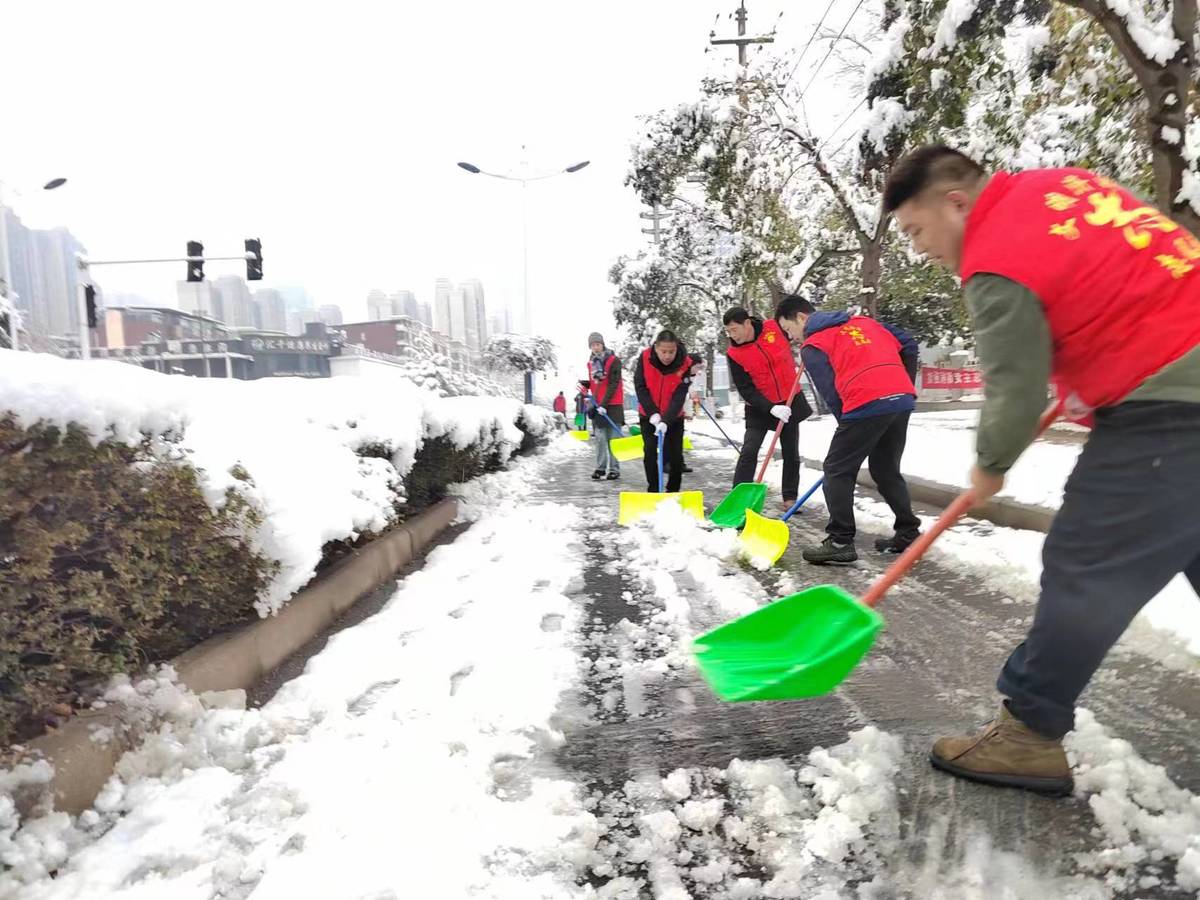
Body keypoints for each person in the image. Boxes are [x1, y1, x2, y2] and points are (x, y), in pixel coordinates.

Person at [883, 144, 1200, 796]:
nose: (919, 249)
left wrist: (989, 466)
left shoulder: (994, 254)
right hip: (1180, 375)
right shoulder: (1064, 187)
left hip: (1170, 406)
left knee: (1087, 563)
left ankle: (1027, 733)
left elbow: (1015, 387)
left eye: (916, 230)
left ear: (956, 201)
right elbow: (1123, 282)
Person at [775, 295, 921, 565]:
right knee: (884, 469)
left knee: (836, 469)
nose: (792, 338)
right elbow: (909, 343)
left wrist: (847, 421)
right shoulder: (865, 323)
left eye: (789, 330)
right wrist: (901, 383)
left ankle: (840, 540)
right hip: (900, 399)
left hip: (865, 401)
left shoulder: (814, 344)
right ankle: (908, 532)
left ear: (801, 318)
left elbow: (830, 390)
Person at [723, 306, 813, 510]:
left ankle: (790, 498)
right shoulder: (734, 354)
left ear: (747, 323)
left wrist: (807, 344)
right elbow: (745, 388)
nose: (732, 335)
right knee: (749, 450)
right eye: (728, 331)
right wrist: (770, 408)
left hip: (788, 400)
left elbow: (797, 333)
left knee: (791, 452)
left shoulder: (773, 328)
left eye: (734, 329)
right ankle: (738, 500)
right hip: (759, 407)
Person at [633, 329, 704, 492]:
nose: (667, 356)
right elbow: (640, 386)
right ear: (656, 348)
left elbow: (679, 395)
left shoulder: (685, 363)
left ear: (676, 349)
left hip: (673, 417)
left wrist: (666, 420)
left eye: (671, 352)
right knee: (650, 452)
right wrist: (653, 413)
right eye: (663, 351)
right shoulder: (645, 358)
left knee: (675, 455)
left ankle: (673, 491)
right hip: (648, 415)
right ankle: (653, 489)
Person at [587, 332, 625, 480]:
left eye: (598, 344)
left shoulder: (613, 361)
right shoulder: (591, 363)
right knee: (600, 438)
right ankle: (601, 468)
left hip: (613, 404)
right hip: (598, 405)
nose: (595, 347)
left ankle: (614, 469)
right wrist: (586, 387)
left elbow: (613, 383)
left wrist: (604, 404)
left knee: (613, 439)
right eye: (592, 345)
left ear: (602, 344)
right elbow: (596, 384)